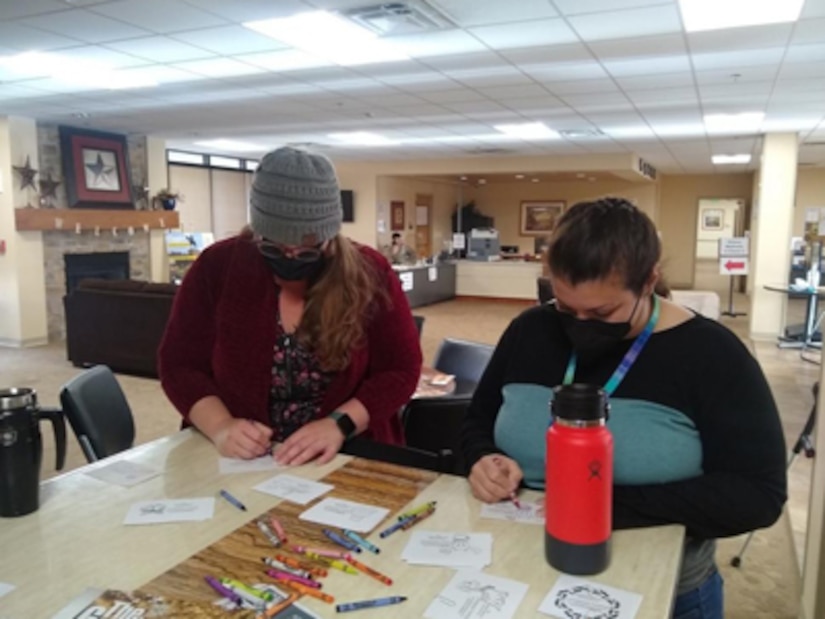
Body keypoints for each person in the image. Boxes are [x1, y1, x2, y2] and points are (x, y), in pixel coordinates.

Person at [460, 197, 786, 619]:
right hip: (519, 566)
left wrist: (602, 505)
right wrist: (483, 457)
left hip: (664, 587)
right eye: (564, 307)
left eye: (602, 311)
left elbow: (759, 494)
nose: (580, 324)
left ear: (649, 281)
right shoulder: (530, 330)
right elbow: (477, 420)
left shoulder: (711, 354)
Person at [158, 146, 422, 466]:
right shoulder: (218, 266)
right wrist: (221, 427)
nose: (291, 259)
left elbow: (400, 370)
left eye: (308, 251)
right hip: (239, 458)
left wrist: (339, 423)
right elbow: (180, 364)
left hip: (346, 453)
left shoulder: (371, 271)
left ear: (330, 238)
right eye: (275, 248)